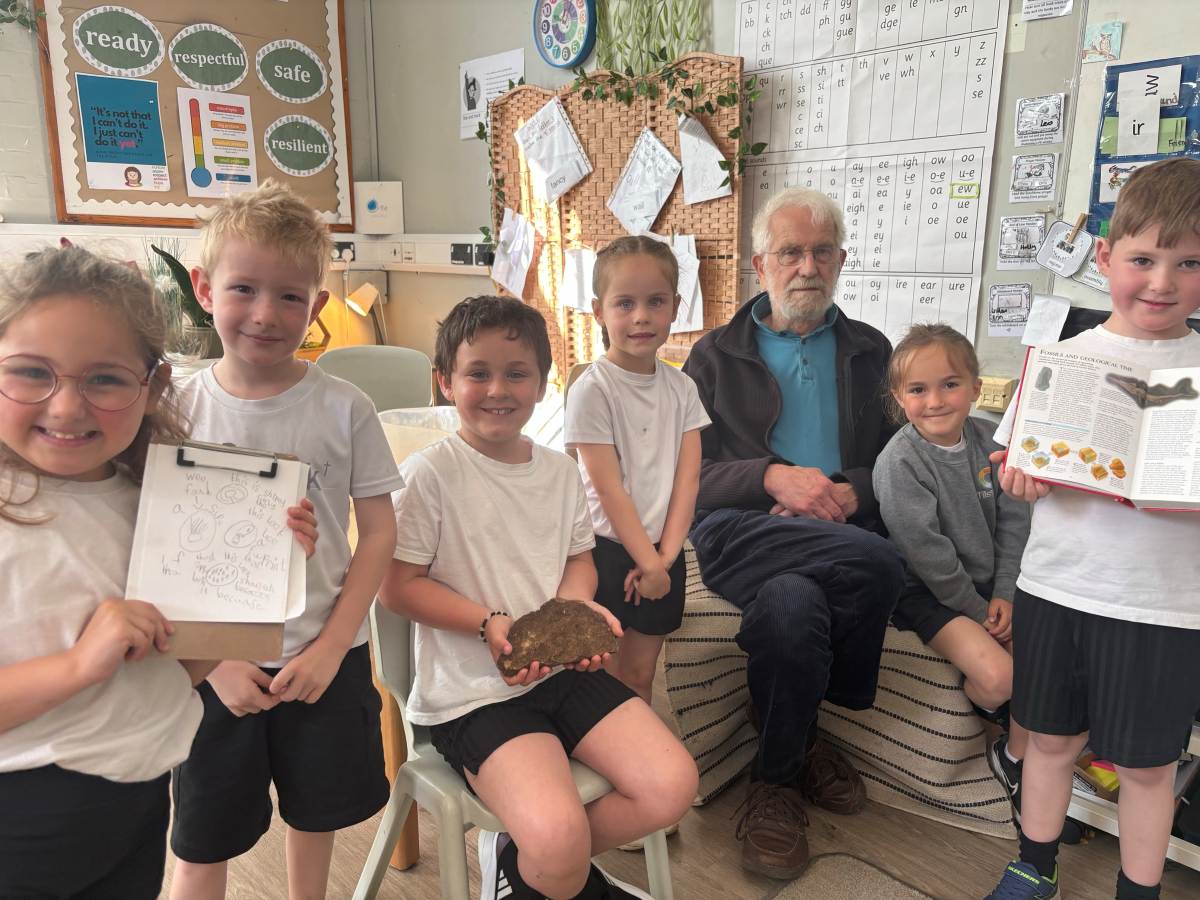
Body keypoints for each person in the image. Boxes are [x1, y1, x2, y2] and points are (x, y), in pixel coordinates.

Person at [0, 246, 314, 897]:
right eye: (31, 372)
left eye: (105, 379)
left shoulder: (154, 501)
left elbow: (175, 670)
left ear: (155, 388)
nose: (65, 408)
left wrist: (263, 571)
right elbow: (93, 668)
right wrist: (79, 665)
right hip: (22, 817)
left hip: (140, 800)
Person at [383, 295, 698, 900]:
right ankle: (557, 871)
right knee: (557, 842)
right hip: (473, 696)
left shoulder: (558, 471)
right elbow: (398, 586)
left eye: (517, 373)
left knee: (671, 788)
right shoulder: (430, 473)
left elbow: (578, 560)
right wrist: (486, 622)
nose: (497, 389)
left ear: (543, 382)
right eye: (478, 373)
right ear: (445, 381)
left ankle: (530, 866)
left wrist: (576, 608)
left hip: (559, 675)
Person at [168, 181, 403, 900]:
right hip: (212, 666)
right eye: (244, 288)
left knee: (318, 811)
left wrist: (333, 647)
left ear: (317, 307)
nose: (266, 315)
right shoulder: (175, 407)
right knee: (202, 831)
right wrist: (212, 662)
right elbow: (160, 549)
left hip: (323, 657)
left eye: (290, 297)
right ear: (205, 289)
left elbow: (378, 533)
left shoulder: (344, 407)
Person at [985, 157, 1200, 900]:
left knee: (1147, 767)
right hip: (1059, 588)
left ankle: (1137, 891)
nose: (1163, 282)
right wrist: (1015, 475)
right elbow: (1011, 466)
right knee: (1048, 742)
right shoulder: (1061, 362)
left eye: (1189, 263)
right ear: (1105, 257)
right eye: (1143, 259)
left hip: (1162, 605)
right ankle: (1032, 865)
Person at [682, 186, 905, 879]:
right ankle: (810, 733)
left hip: (833, 530)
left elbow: (901, 459)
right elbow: (684, 476)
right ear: (760, 263)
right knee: (878, 565)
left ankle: (776, 779)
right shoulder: (713, 356)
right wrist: (773, 479)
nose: (806, 266)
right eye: (790, 252)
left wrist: (848, 490)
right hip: (739, 529)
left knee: (791, 608)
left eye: (820, 252)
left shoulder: (874, 351)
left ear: (840, 260)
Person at [873, 323, 1031, 818]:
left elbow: (1015, 521)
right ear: (900, 397)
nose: (935, 400)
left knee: (1049, 663)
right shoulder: (899, 463)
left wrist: (1004, 592)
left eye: (950, 384)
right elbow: (929, 556)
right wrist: (982, 612)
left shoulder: (991, 440)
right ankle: (994, 728)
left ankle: (1016, 755)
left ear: (976, 389)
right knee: (1002, 678)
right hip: (926, 593)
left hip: (992, 587)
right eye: (918, 389)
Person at [565, 236, 709, 705]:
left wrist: (664, 560)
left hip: (665, 548)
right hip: (606, 550)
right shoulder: (592, 390)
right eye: (624, 303)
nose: (641, 316)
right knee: (601, 670)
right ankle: (607, 764)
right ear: (598, 311)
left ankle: (640, 770)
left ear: (675, 308)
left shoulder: (683, 387)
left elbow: (688, 479)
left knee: (641, 673)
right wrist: (647, 563)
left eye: (656, 302)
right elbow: (608, 488)